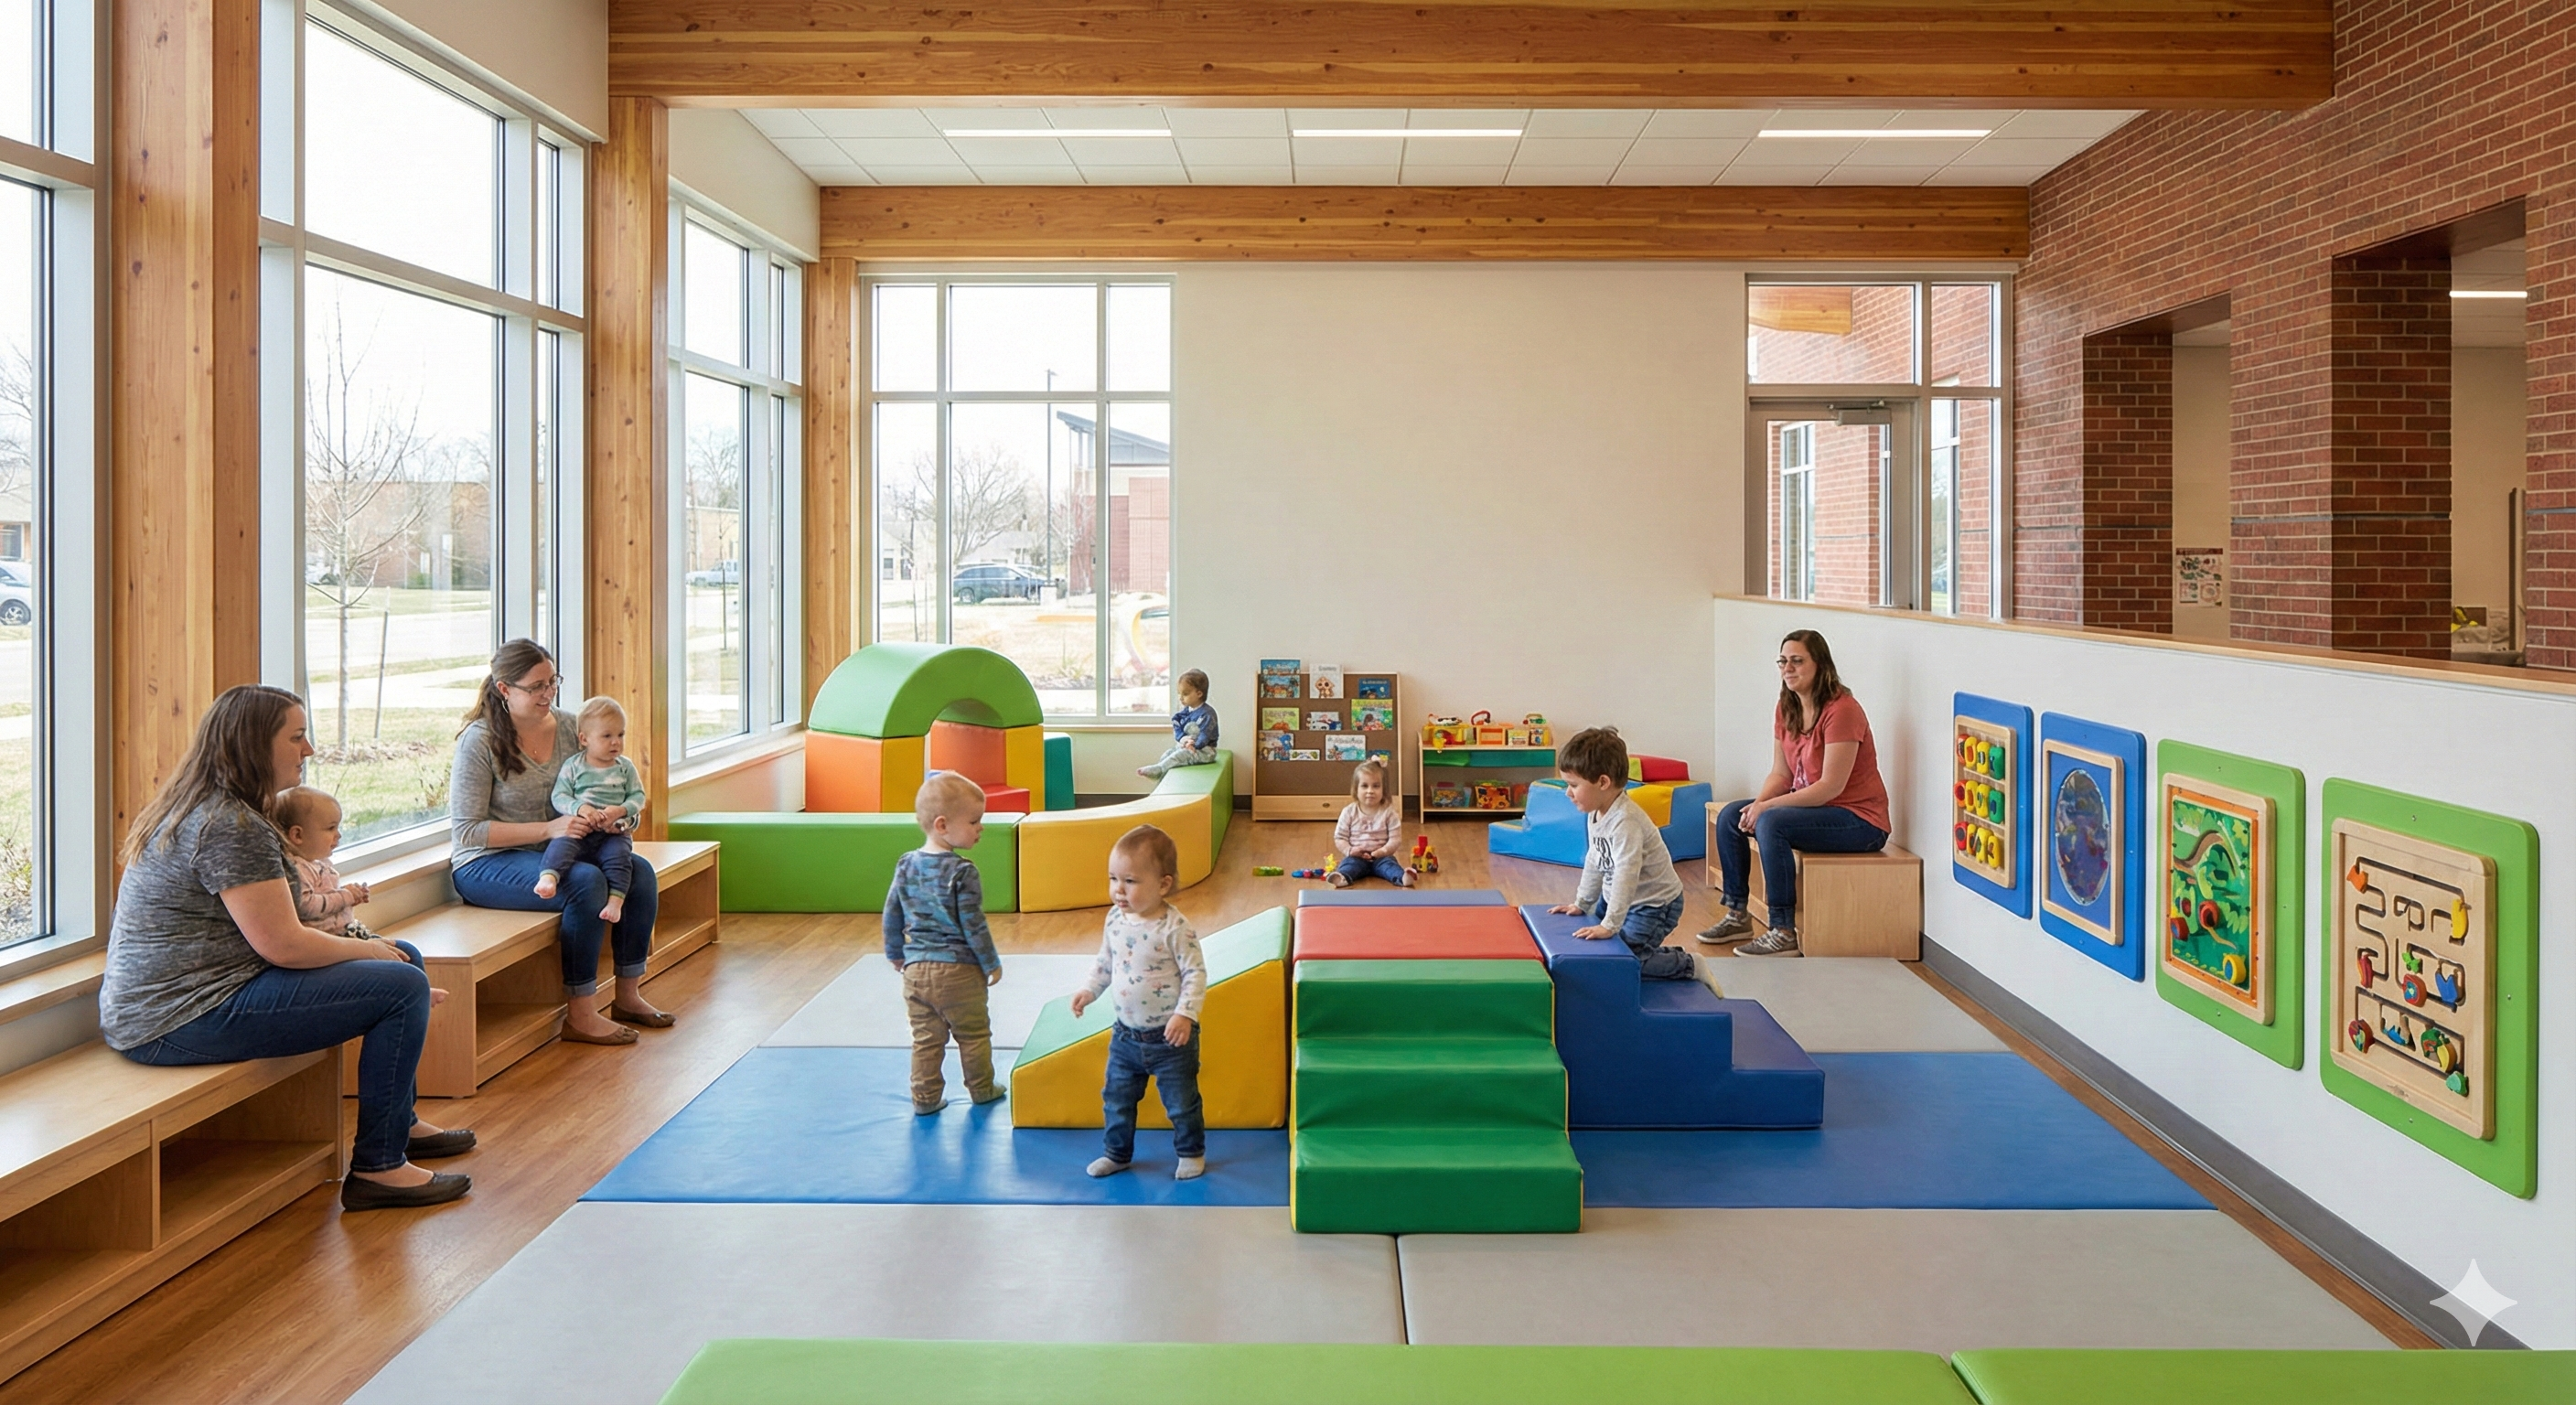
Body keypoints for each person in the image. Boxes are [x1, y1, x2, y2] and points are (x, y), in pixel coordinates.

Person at [102, 686, 475, 1211]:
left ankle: (401, 1124)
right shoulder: (230, 826)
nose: (309, 750)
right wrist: (367, 953)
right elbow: (283, 946)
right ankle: (379, 1168)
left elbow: (284, 931)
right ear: (255, 745)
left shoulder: (222, 811)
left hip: (193, 999)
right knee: (400, 983)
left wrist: (371, 947)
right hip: (176, 1020)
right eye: (297, 737)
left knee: (405, 958)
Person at [448, 640, 671, 1046]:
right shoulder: (478, 742)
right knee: (585, 883)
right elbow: (468, 832)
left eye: (553, 682)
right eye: (536, 687)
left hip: (558, 851)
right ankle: (581, 1014)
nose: (548, 693)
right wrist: (548, 829)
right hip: (485, 863)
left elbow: (622, 790)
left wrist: (622, 819)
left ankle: (627, 995)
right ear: (504, 689)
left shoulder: (574, 729)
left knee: (639, 872)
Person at [1699, 629, 1892, 958]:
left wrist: (1767, 810)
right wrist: (1759, 804)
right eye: (1783, 661)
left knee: (1772, 823)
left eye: (1797, 661)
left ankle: (1783, 929)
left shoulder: (1843, 710)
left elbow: (1830, 787)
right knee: (1734, 815)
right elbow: (1781, 773)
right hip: (1814, 810)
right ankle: (1737, 914)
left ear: (1820, 665)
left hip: (1858, 821)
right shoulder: (1786, 707)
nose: (1788, 668)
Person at [1073, 824, 1208, 1181]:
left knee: (1181, 1104)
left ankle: (1191, 1152)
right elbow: (1105, 961)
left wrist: (1184, 1015)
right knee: (1116, 1099)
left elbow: (1195, 973)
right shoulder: (1115, 919)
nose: (1118, 889)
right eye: (1113, 878)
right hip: (1125, 1036)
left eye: (1130, 881)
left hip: (1170, 1040)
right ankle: (1117, 1153)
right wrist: (1089, 990)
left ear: (1163, 884)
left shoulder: (1174, 927)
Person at [882, 771, 1005, 1114]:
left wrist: (895, 952)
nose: (981, 827)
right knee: (973, 1035)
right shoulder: (963, 871)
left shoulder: (906, 864)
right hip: (959, 972)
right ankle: (981, 1088)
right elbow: (973, 924)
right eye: (975, 821)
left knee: (926, 1040)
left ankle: (925, 1098)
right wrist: (990, 962)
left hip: (916, 972)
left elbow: (892, 912)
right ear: (942, 825)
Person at [1549, 725, 1695, 981]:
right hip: (1619, 896)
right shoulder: (1596, 812)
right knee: (1606, 950)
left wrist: (1610, 925)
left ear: (1603, 782)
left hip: (1654, 903)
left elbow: (1627, 875)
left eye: (1573, 785)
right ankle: (1654, 952)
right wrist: (1582, 903)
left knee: (1629, 960)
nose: (1567, 792)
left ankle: (1688, 964)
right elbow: (1595, 859)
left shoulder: (1625, 822)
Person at [537, 696, 647, 924]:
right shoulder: (574, 766)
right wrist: (581, 808)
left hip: (612, 833)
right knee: (560, 845)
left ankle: (616, 901)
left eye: (620, 735)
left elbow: (638, 797)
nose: (616, 742)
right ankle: (549, 877)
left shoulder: (625, 768)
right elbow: (559, 796)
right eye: (607, 736)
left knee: (619, 857)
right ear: (584, 739)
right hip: (581, 828)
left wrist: (621, 811)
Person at [271, 786, 375, 939]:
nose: (338, 835)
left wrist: (350, 896)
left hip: (343, 933)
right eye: (331, 828)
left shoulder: (317, 862)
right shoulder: (297, 868)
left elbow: (325, 898)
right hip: (329, 940)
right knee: (403, 955)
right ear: (297, 835)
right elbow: (305, 906)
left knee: (406, 951)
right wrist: (345, 896)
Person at [1327, 757, 1411, 888]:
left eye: (1376, 786)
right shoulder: (1349, 812)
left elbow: (1395, 839)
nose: (1370, 791)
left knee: (1390, 866)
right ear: (1356, 789)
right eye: (1365, 786)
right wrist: (1350, 850)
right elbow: (1340, 837)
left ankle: (1403, 878)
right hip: (1356, 857)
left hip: (1381, 858)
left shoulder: (1389, 813)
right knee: (1348, 865)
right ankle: (1342, 877)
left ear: (1384, 789)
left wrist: (1383, 851)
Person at [1138, 670, 1218, 779]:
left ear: (1199, 693)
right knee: (1168, 753)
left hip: (1204, 751)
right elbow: (1177, 725)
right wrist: (1183, 739)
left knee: (1179, 756)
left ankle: (1160, 770)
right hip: (1187, 746)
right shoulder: (1185, 712)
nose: (1180, 698)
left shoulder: (1207, 714)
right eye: (1179, 694)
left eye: (1185, 694)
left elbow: (1205, 734)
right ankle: (1160, 773)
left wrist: (1194, 745)